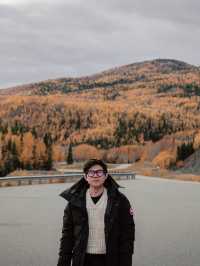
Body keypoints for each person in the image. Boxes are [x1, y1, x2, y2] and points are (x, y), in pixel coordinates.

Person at [57, 159, 135, 266]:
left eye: (99, 172)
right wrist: (63, 263)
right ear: (85, 177)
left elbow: (127, 236)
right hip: (82, 259)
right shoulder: (74, 202)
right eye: (91, 172)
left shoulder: (119, 201)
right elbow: (67, 236)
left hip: (110, 259)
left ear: (106, 175)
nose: (95, 175)